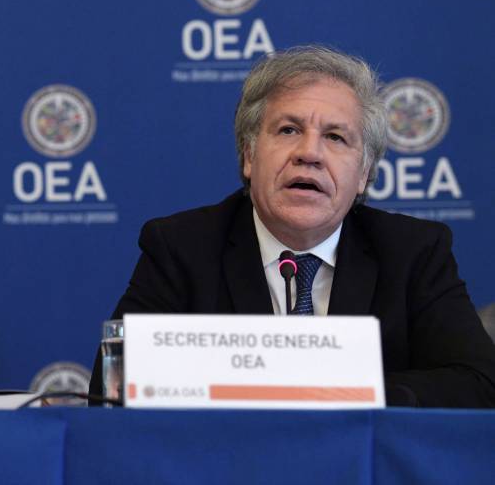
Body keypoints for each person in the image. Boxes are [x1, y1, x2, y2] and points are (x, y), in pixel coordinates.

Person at [90, 46, 495, 407]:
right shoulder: (181, 248)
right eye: (289, 130)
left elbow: (479, 384)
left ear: (364, 173)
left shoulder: (413, 252)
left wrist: (340, 392)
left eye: (336, 137)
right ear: (249, 155)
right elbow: (115, 389)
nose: (310, 153)